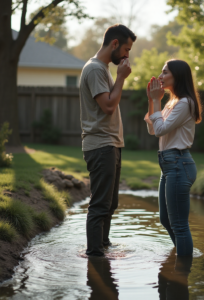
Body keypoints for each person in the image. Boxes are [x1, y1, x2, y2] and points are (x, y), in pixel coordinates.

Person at [80, 24, 137, 256]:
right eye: (126, 49)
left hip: (110, 145)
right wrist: (121, 77)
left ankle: (102, 247)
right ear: (114, 44)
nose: (127, 55)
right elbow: (108, 106)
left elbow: (109, 102)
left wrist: (118, 77)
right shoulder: (95, 69)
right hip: (101, 145)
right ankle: (95, 256)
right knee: (100, 204)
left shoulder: (102, 69)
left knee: (110, 204)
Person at [144, 59, 203, 256]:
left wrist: (156, 101)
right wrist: (152, 100)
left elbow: (159, 130)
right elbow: (152, 130)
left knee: (179, 224)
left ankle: (182, 271)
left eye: (165, 72)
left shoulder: (185, 103)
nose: (160, 76)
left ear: (177, 76)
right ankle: (181, 257)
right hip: (169, 165)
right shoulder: (172, 102)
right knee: (166, 220)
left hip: (179, 163)